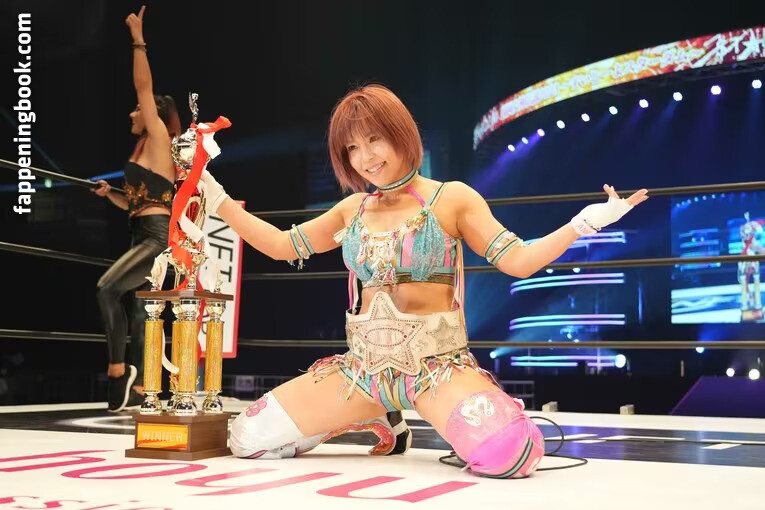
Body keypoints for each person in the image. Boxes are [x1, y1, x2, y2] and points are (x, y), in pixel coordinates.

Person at [199, 84, 648, 477]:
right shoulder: (352, 209)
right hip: (361, 373)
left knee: (511, 452)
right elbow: (282, 245)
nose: (365, 157)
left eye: (374, 139)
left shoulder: (451, 199)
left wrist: (585, 223)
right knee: (247, 437)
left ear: (400, 134)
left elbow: (519, 261)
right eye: (352, 148)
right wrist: (217, 199)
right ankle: (371, 415)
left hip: (437, 370)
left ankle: (409, 412)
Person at [91, 6, 180, 412]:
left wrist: (138, 40)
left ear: (151, 115)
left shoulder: (158, 137)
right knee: (139, 308)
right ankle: (144, 387)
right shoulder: (142, 147)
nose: (132, 113)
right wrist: (110, 194)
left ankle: (117, 370)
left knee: (107, 289)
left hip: (156, 237)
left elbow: (144, 87)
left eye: (138, 109)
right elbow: (137, 201)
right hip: (140, 231)